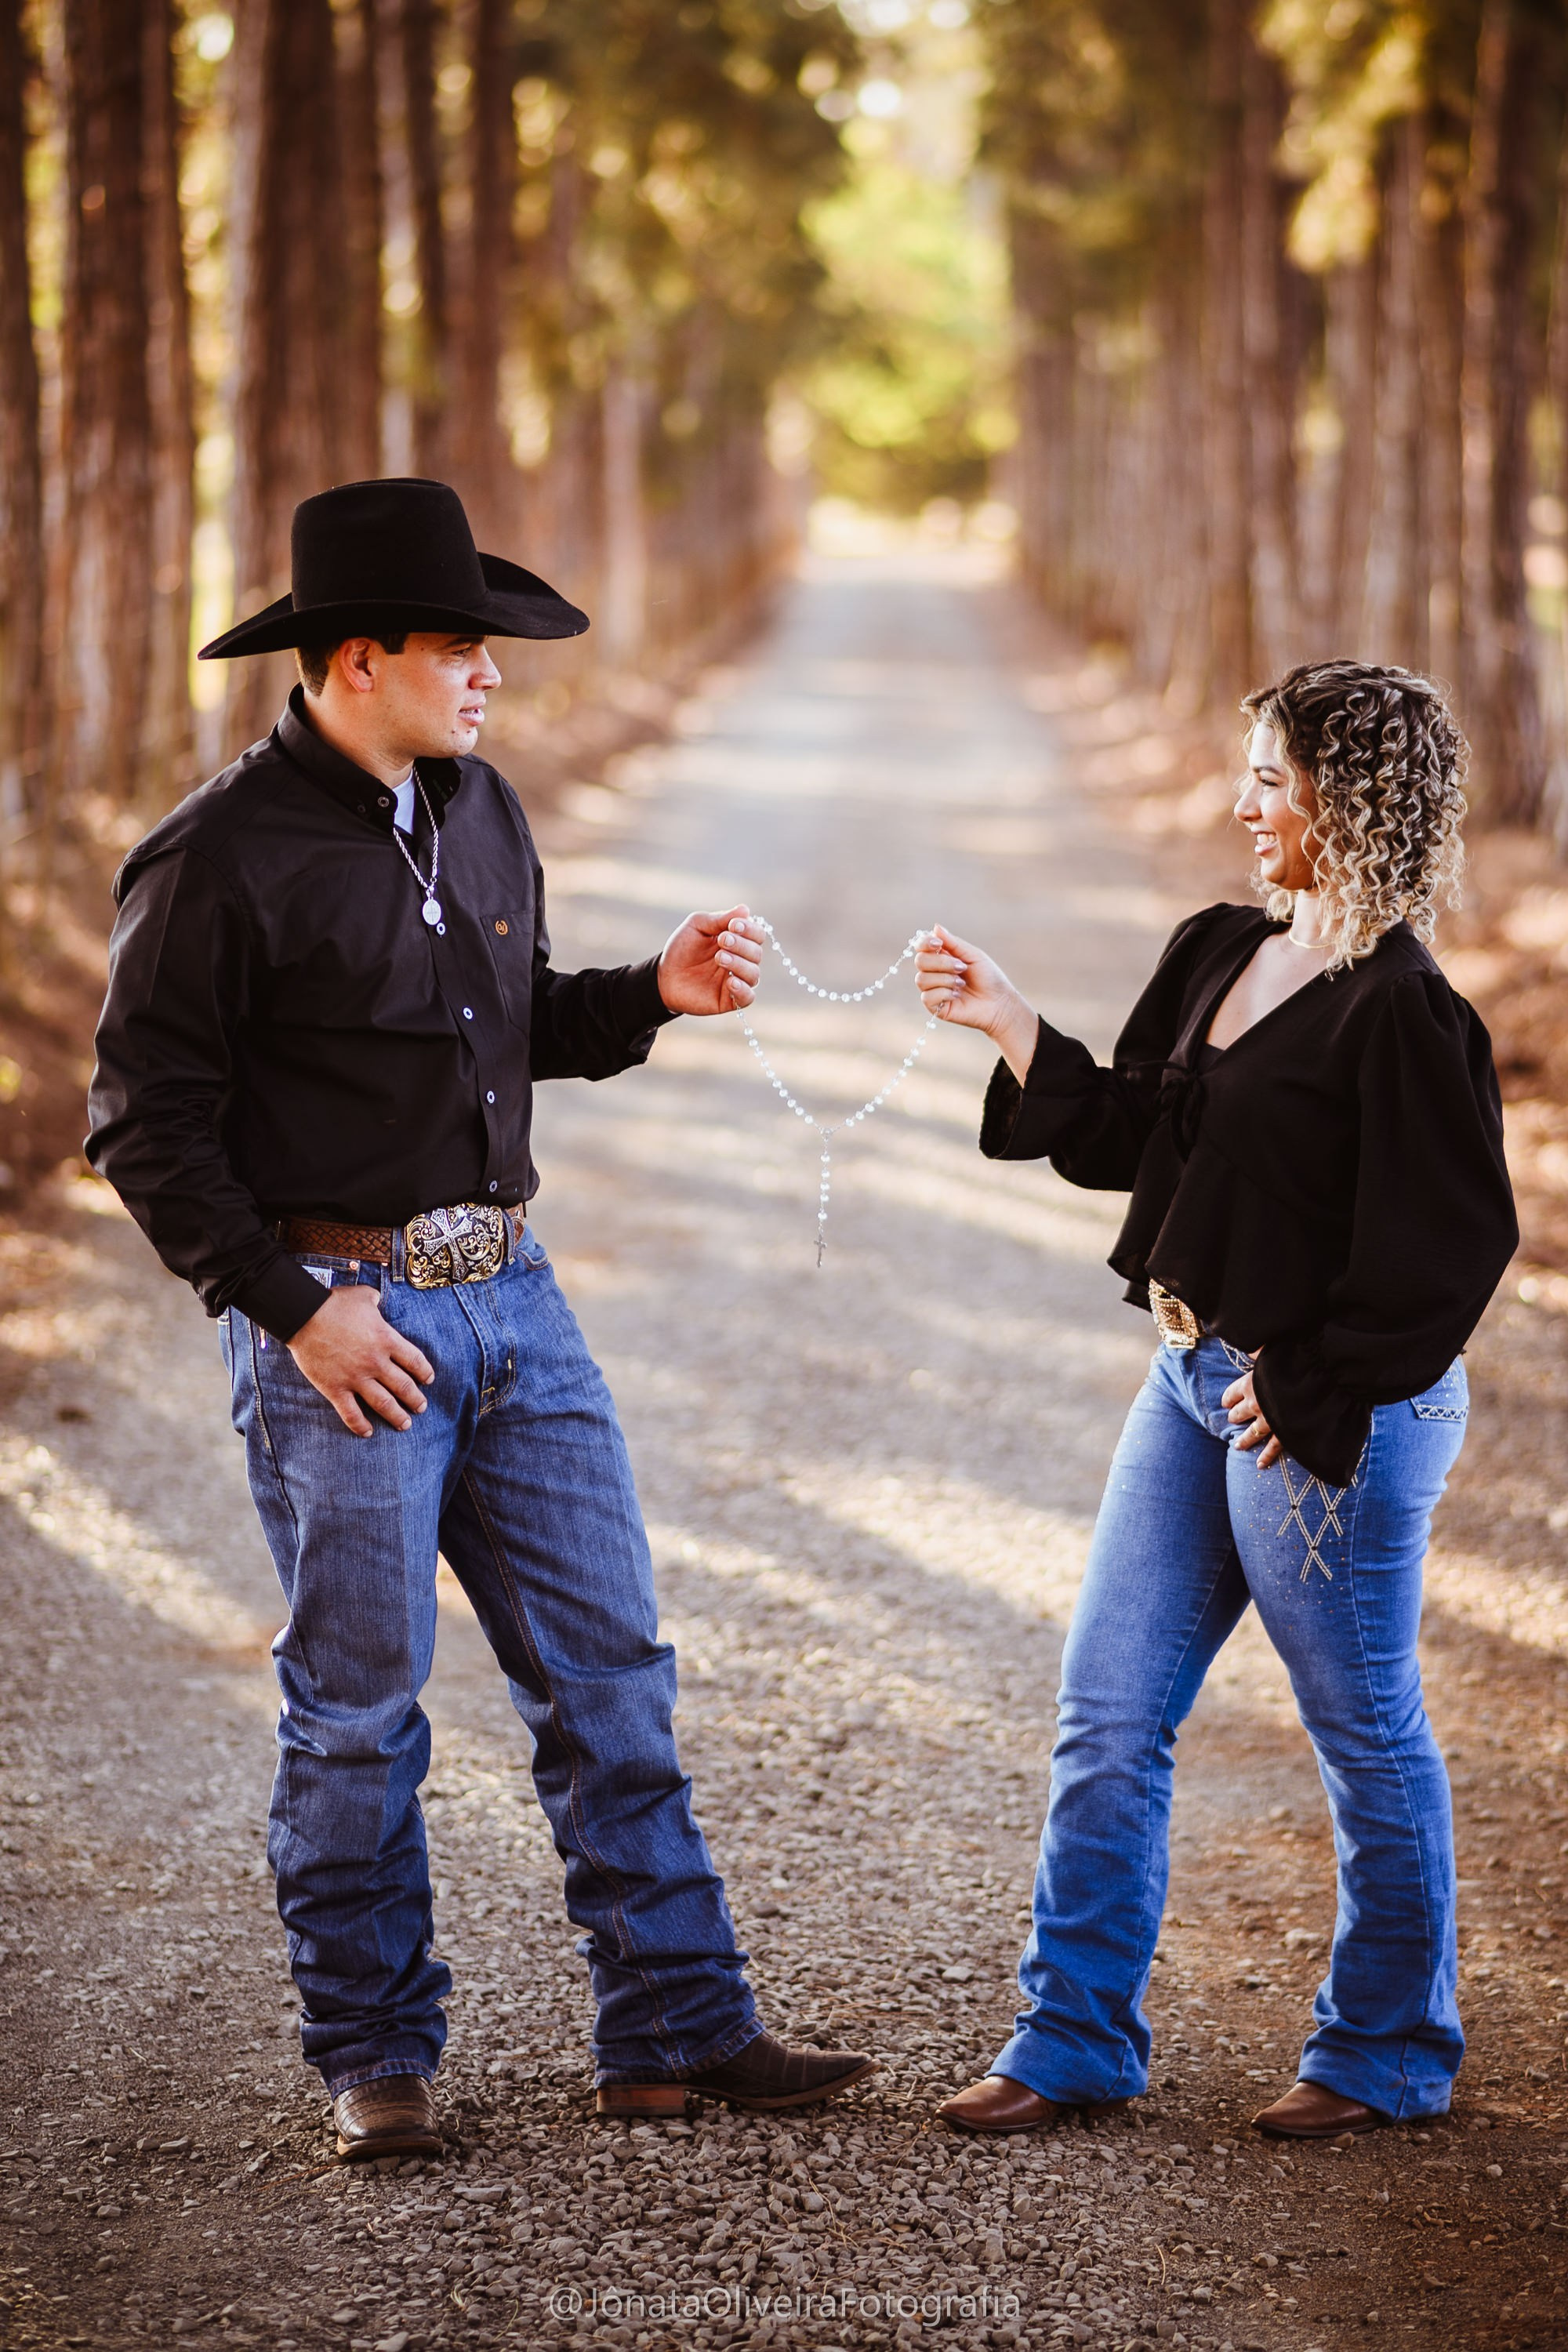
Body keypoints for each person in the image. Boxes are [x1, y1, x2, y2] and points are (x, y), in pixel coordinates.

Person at [87, 476, 873, 2160]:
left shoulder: (478, 804)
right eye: (460, 649)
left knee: (613, 1676)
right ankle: (375, 2055)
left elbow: (505, 1028)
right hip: (346, 1331)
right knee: (360, 1715)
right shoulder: (215, 857)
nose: (490, 676)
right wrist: (294, 1309)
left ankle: (671, 2025)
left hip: (518, 1299)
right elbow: (142, 1124)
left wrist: (644, 995)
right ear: (353, 659)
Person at [913, 659, 1516, 2141]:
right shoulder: (1221, 948)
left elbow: (1455, 1247)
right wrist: (1009, 1024)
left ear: (1351, 798)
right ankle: (1074, 2040)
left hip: (1334, 1411)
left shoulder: (1407, 1011)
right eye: (1247, 773)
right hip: (1190, 1379)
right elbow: (1142, 1135)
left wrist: (1308, 1384)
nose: (1243, 803)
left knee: (1362, 1727)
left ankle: (1385, 2050)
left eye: (1271, 778)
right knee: (1106, 1717)